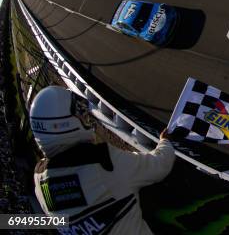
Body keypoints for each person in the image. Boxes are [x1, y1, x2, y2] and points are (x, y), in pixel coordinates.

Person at [30, 86, 175, 234]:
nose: (85, 118)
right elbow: (160, 165)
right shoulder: (102, 161)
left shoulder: (39, 181)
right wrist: (165, 142)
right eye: (79, 115)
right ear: (64, 124)